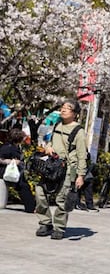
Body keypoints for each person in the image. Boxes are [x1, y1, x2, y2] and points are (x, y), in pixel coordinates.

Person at [34, 101, 87, 240]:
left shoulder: (79, 132)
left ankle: (59, 227)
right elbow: (50, 141)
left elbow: (82, 155)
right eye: (62, 108)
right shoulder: (57, 125)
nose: (63, 110)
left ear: (74, 114)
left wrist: (80, 175)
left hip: (68, 169)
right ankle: (45, 223)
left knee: (61, 199)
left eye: (67, 109)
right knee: (40, 192)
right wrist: (49, 147)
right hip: (51, 166)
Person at [0, 128, 35, 212]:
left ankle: (31, 207)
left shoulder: (13, 146)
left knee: (23, 186)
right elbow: (0, 159)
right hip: (6, 172)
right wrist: (12, 162)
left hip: (12, 171)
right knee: (23, 186)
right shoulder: (7, 148)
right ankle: (30, 208)